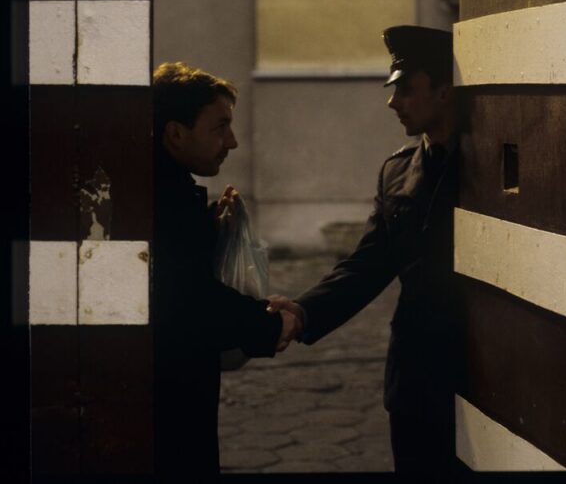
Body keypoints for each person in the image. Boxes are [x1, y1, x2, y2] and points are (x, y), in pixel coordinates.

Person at [267, 25, 463, 474]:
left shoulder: (489, 167)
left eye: (406, 90)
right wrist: (303, 311)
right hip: (414, 377)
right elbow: (369, 263)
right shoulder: (396, 172)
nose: (393, 102)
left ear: (444, 92)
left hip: (479, 370)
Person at [151, 61, 301, 477]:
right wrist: (269, 325)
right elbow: (188, 301)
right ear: (176, 133)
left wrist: (209, 232)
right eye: (220, 127)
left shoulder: (166, 185)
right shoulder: (162, 198)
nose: (232, 141)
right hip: (168, 398)